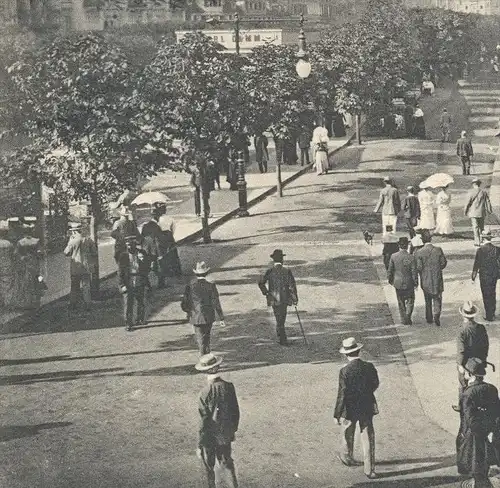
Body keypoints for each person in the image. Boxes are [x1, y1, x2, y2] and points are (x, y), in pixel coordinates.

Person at [334, 337, 379, 480]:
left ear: (346, 354)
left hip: (350, 406)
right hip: (366, 405)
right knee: (368, 435)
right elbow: (375, 384)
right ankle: (369, 469)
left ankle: (348, 457)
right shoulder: (369, 367)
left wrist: (337, 414)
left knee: (348, 431)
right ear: (359, 351)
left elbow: (342, 393)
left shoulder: (345, 371)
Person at [196, 353, 240, 488]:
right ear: (218, 367)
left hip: (209, 435)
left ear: (204, 371)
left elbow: (203, 420)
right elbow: (235, 412)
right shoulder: (228, 386)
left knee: (208, 467)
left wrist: (200, 443)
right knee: (227, 463)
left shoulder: (204, 392)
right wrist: (232, 429)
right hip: (225, 433)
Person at [456, 357, 499, 488]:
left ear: (470, 374)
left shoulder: (468, 393)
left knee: (475, 464)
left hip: (474, 436)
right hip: (489, 431)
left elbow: (469, 420)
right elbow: (496, 411)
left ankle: (479, 483)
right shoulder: (491, 388)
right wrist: (490, 431)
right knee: (485, 462)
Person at [181, 262, 225, 356]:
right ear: (206, 273)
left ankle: (202, 358)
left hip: (195, 316)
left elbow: (184, 303)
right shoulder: (211, 286)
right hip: (208, 315)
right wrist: (221, 318)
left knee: (200, 338)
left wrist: (189, 311)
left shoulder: (190, 287)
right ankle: (208, 357)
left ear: (196, 274)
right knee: (207, 338)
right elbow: (216, 303)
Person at [452, 301, 489, 411]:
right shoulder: (481, 328)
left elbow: (461, 350)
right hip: (479, 362)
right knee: (478, 382)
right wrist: (483, 360)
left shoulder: (462, 330)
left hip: (467, 363)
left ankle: (462, 406)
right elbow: (485, 345)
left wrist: (460, 364)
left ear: (463, 314)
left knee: (463, 384)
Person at [258, 249, 298, 346]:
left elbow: (261, 283)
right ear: (282, 260)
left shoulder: (270, 271)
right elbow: (292, 286)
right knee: (282, 318)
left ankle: (280, 333)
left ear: (274, 260)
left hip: (273, 298)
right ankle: (282, 338)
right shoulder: (286, 271)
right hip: (284, 298)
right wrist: (295, 298)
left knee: (278, 317)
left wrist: (266, 293)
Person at [117, 235, 152, 331]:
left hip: (139, 278)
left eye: (131, 244)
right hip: (128, 280)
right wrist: (122, 285)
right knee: (128, 302)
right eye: (127, 245)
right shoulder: (123, 256)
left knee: (140, 300)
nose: (129, 247)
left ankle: (140, 319)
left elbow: (148, 266)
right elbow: (120, 272)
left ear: (134, 244)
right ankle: (128, 323)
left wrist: (143, 266)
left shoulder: (142, 253)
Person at [415, 230, 447, 326]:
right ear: (430, 239)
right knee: (437, 297)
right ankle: (436, 314)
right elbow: (443, 263)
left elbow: (419, 267)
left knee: (427, 299)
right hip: (437, 277)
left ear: (422, 240)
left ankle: (429, 317)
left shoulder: (419, 252)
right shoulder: (438, 250)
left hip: (425, 279)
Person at [64, 222, 97, 311]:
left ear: (74, 231)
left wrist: (69, 243)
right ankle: (88, 304)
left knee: (74, 286)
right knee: (86, 286)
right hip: (86, 266)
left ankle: (73, 304)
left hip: (76, 266)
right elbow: (94, 252)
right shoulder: (88, 239)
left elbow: (66, 252)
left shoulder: (73, 240)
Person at [387, 237, 418, 325]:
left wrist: (390, 280)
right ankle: (408, 316)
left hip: (398, 282)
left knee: (400, 302)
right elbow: (414, 272)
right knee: (410, 301)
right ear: (407, 245)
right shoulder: (411, 257)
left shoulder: (394, 256)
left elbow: (390, 270)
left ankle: (403, 318)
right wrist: (416, 282)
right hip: (409, 283)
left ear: (399, 245)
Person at [472, 230, 500, 321]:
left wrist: (473, 275)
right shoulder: (497, 249)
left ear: (483, 238)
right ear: (490, 238)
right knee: (493, 292)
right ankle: (492, 312)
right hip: (493, 275)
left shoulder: (480, 250)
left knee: (486, 294)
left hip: (484, 276)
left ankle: (489, 315)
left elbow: (476, 264)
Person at [465, 178, 493, 247]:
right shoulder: (484, 192)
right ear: (479, 184)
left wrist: (465, 211)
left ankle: (477, 241)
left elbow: (467, 203)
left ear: (473, 184)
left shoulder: (470, 192)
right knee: (481, 227)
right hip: (481, 212)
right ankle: (481, 239)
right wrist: (489, 210)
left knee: (475, 227)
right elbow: (488, 202)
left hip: (473, 213)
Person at [157, 206, 182, 279]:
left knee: (164, 254)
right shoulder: (170, 218)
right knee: (173, 254)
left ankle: (167, 271)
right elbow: (173, 228)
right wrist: (171, 235)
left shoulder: (158, 220)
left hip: (162, 236)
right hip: (169, 236)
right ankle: (177, 271)